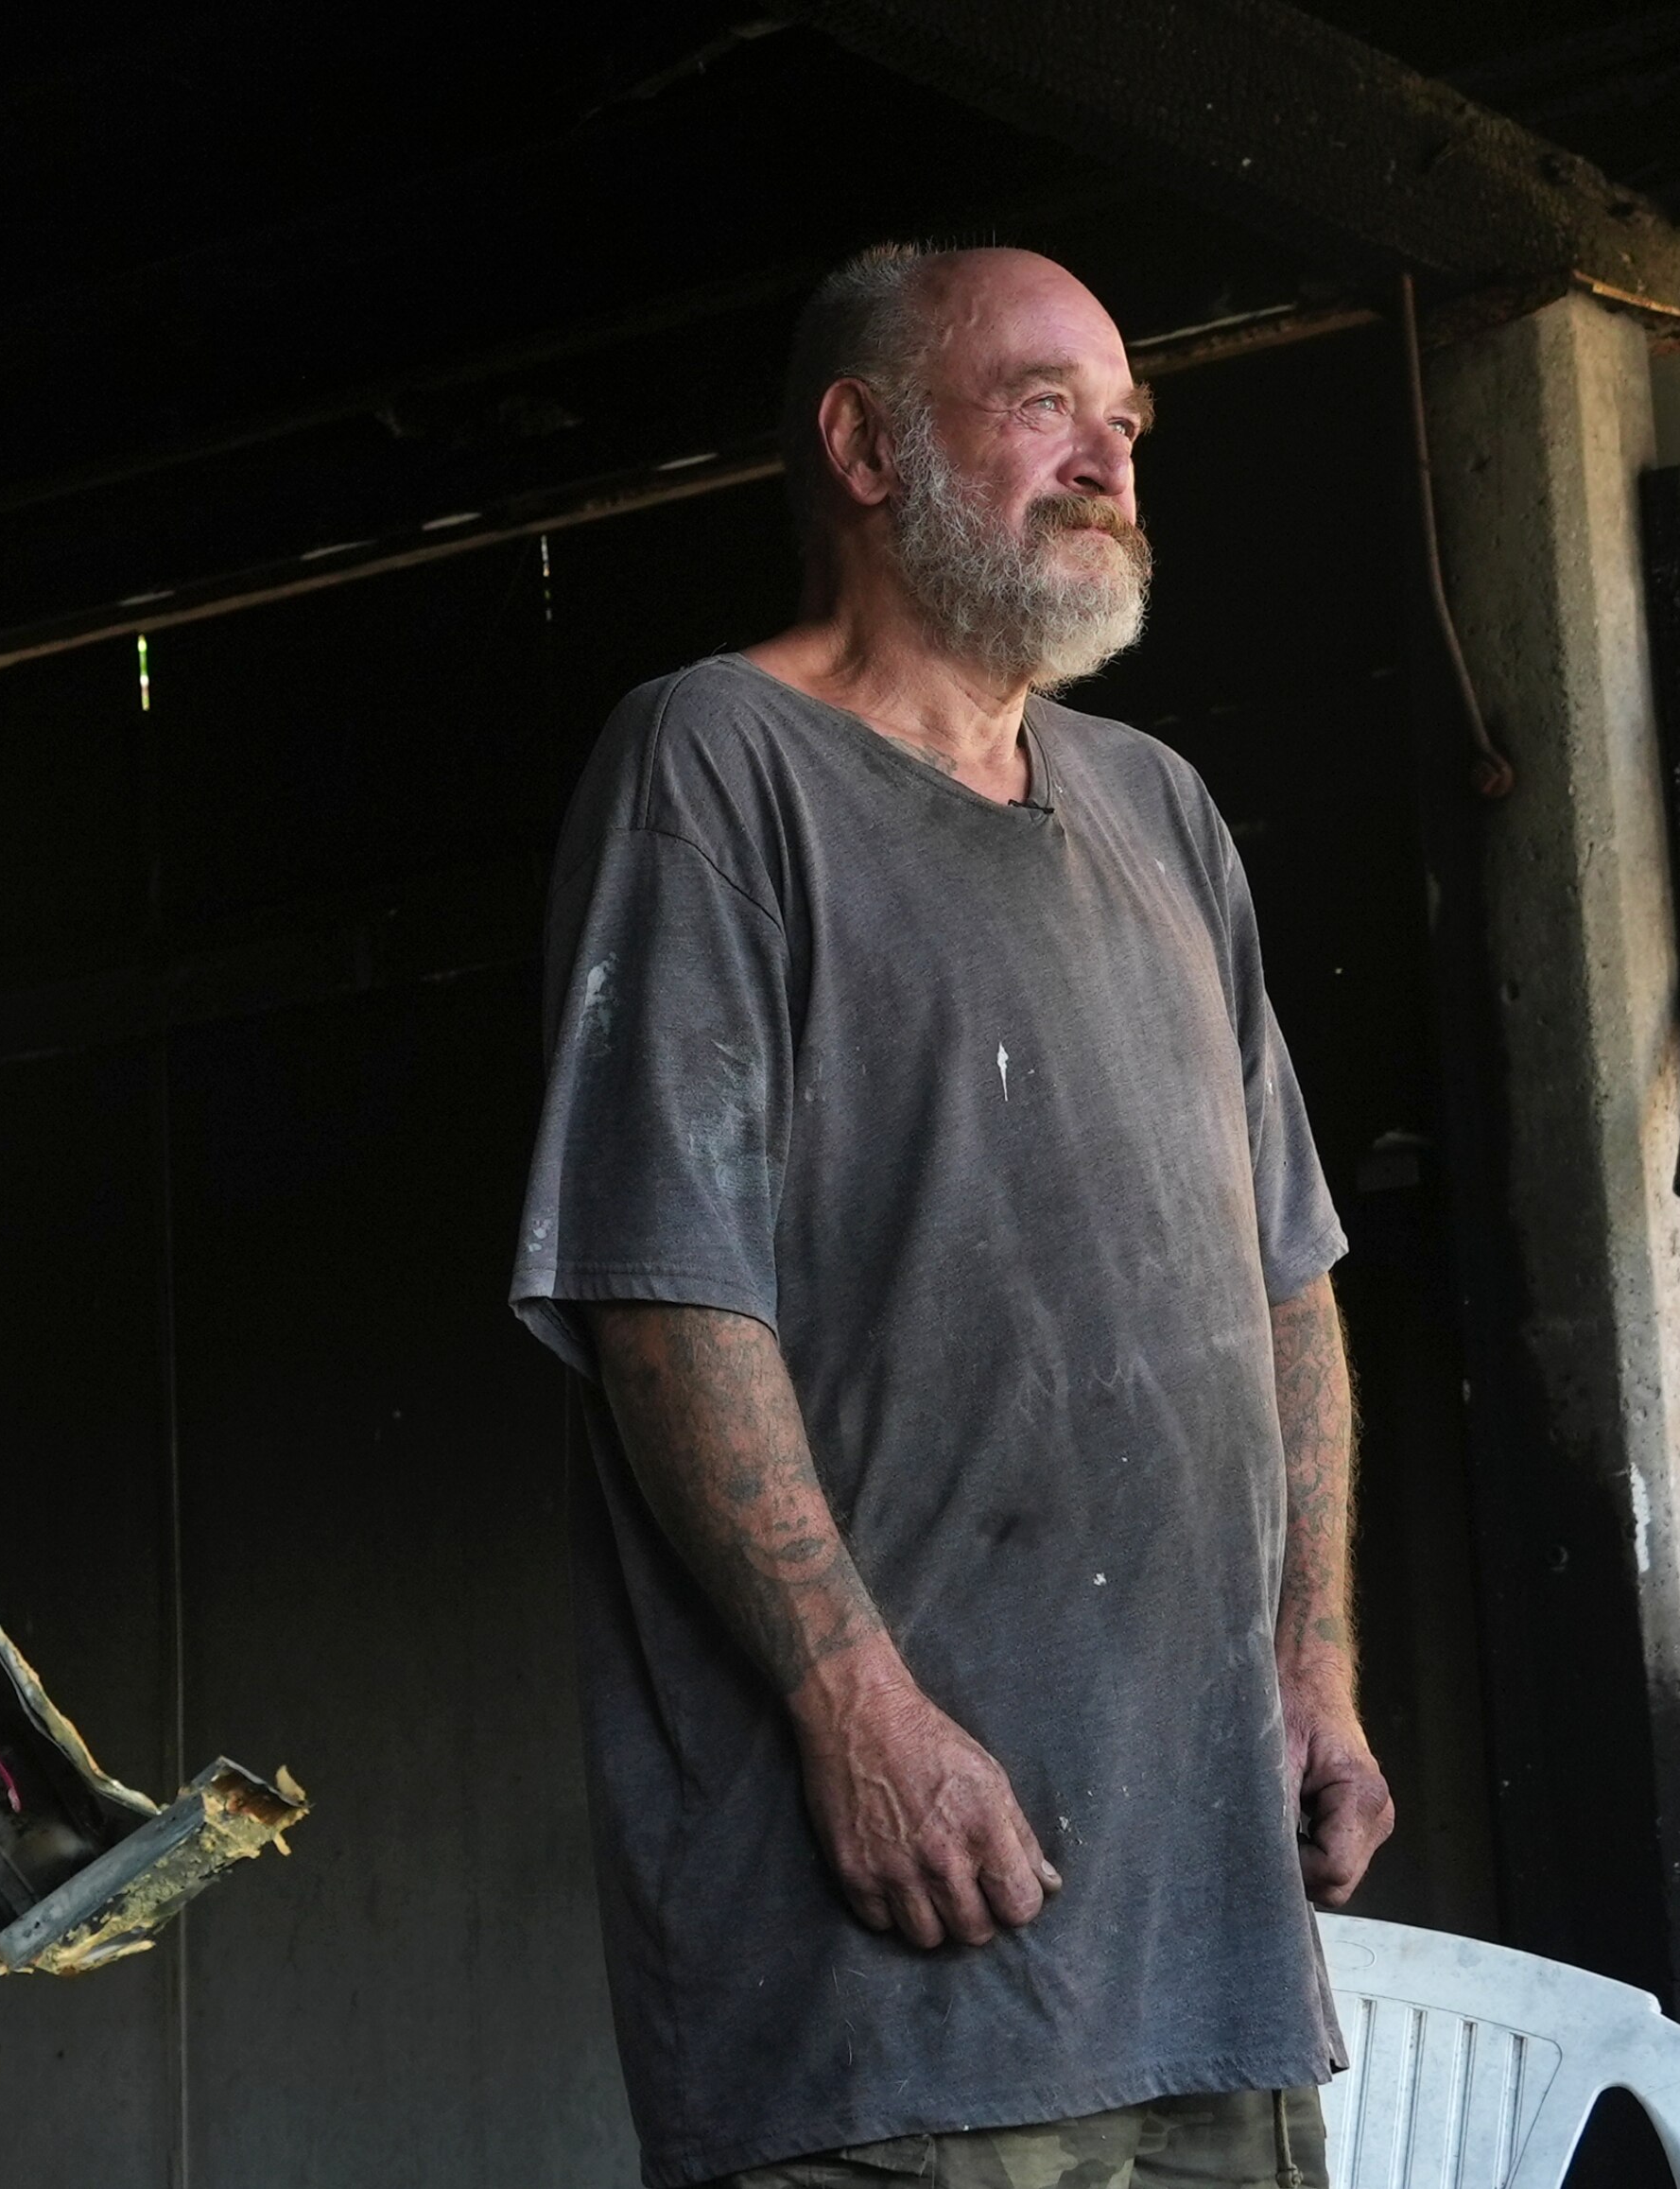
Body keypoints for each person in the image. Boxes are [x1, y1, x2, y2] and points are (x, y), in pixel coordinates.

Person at [509, 240, 1394, 2189]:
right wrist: (856, 1711)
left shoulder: (1156, 807)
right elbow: (666, 1298)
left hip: (1208, 1944)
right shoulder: (715, 764)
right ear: (862, 441)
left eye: (1125, 419)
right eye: (1041, 402)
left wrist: (1310, 1672)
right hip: (894, 1952)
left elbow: (1288, 1281)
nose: (1106, 457)